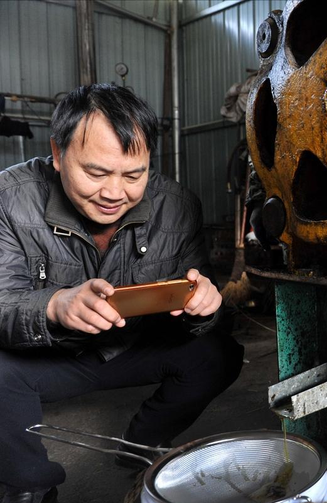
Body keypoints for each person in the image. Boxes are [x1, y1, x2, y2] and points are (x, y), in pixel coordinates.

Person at [0, 84, 244, 503]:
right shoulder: (9, 198)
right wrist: (55, 307)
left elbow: (202, 302)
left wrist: (204, 305)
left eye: (134, 175)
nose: (115, 193)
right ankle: (29, 484)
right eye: (95, 173)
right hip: (51, 357)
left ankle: (142, 446)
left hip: (133, 347)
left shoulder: (178, 205)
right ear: (58, 155)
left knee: (219, 354)